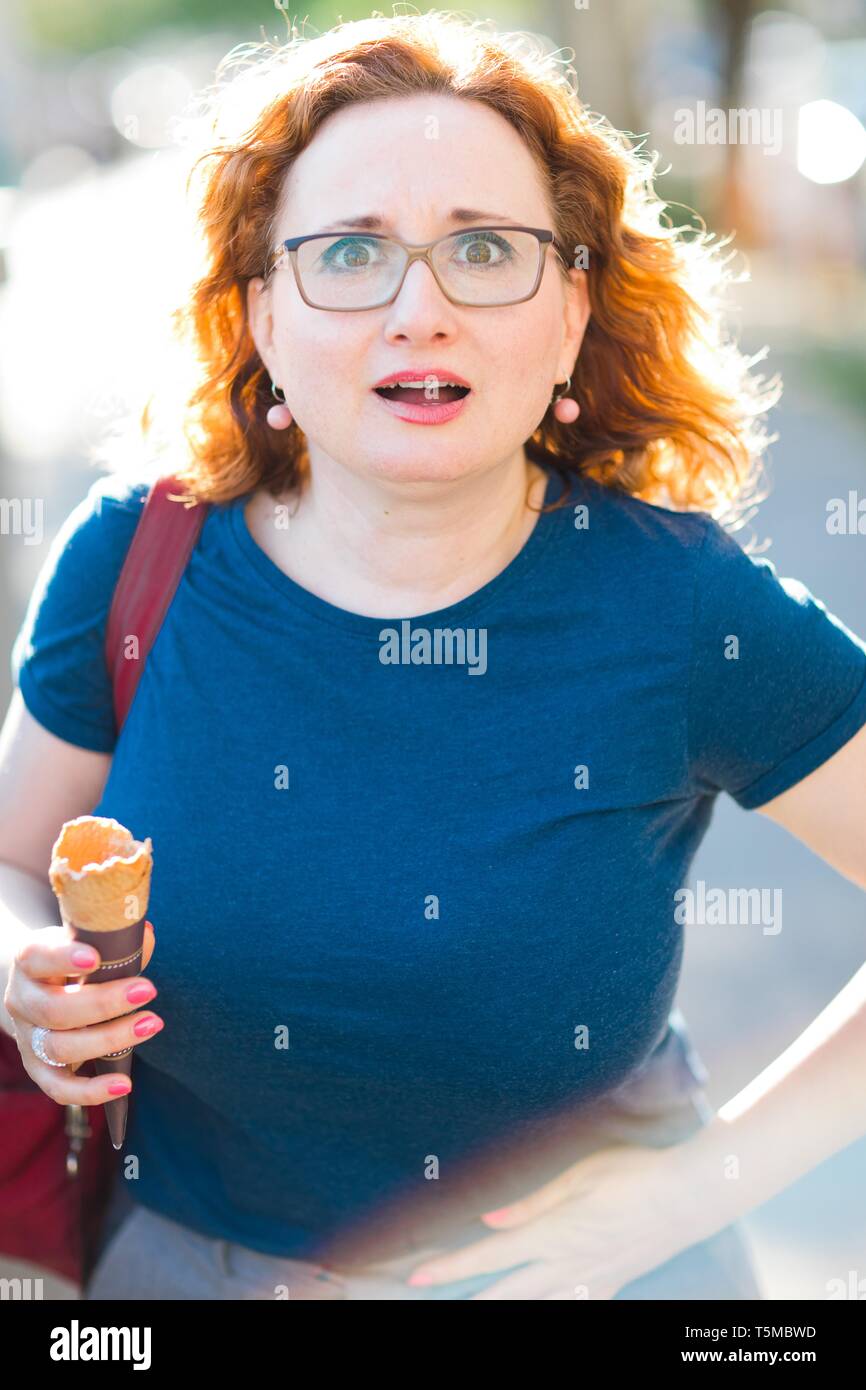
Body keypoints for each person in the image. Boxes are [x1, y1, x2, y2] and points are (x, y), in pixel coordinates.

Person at [2, 11, 866, 1301]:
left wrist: (710, 1179)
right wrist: (24, 977)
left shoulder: (684, 607)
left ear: (573, 309)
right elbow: (17, 860)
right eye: (350, 252)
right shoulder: (135, 559)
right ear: (265, 318)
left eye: (484, 249)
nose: (422, 308)